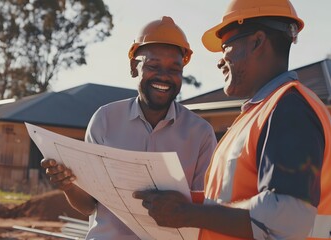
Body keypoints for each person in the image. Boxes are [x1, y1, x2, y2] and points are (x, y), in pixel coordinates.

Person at [133, 0, 331, 239]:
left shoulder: (289, 110)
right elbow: (230, 199)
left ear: (257, 42)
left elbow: (286, 217)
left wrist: (187, 213)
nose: (219, 61)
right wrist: (187, 202)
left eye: (225, 46)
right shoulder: (260, 113)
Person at [41, 16, 217, 239]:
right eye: (153, 66)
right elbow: (88, 205)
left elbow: (205, 210)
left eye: (175, 69)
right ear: (135, 67)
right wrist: (67, 185)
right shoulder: (105, 120)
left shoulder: (200, 134)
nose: (164, 76)